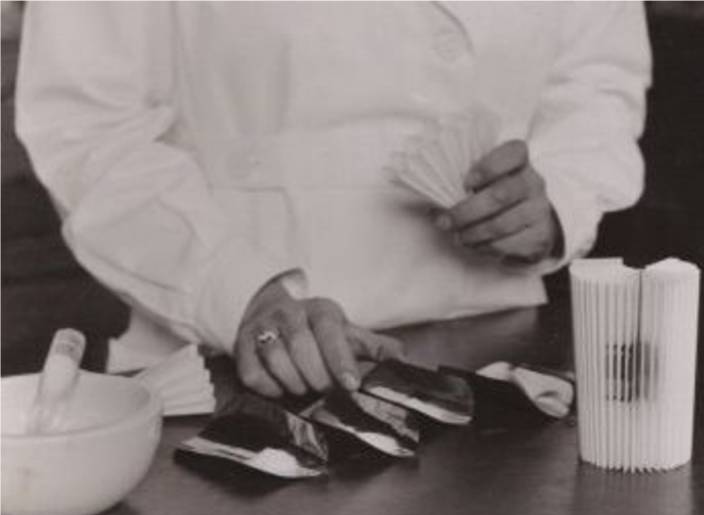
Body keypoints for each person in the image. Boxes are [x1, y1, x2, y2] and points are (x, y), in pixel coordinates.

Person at [16, 1, 651, 398]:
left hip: (497, 356)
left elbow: (597, 80)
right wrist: (237, 292)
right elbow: (90, 128)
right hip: (235, 363)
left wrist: (558, 201)